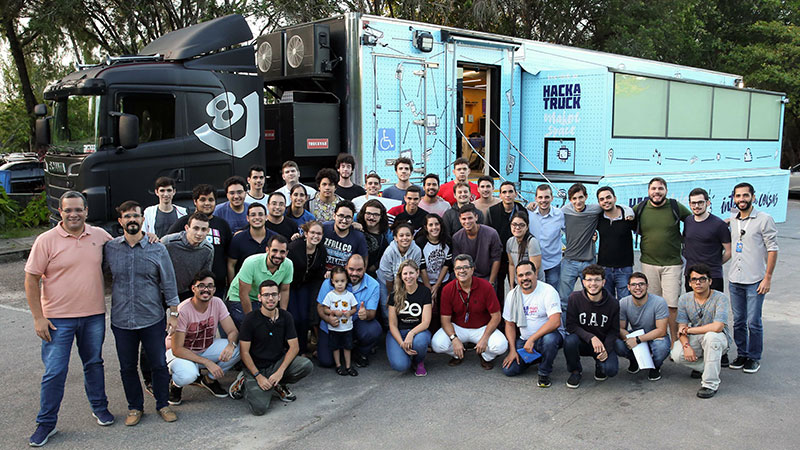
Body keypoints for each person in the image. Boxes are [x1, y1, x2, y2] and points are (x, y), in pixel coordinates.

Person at [24, 191, 114, 446]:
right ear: (60, 212)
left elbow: (126, 246)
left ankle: (100, 408)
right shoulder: (46, 240)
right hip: (56, 319)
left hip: (93, 315)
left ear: (86, 211)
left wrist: (150, 235)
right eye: (68, 210)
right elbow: (31, 279)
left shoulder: (100, 236)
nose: (73, 214)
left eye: (78, 210)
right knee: (55, 372)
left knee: (94, 364)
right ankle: (46, 424)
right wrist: (37, 317)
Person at [103, 200, 180, 425]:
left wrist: (173, 314)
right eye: (127, 217)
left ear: (142, 219)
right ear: (120, 221)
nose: (132, 220)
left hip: (152, 319)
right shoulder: (110, 248)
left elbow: (169, 282)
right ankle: (135, 408)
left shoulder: (157, 248)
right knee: (127, 367)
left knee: (157, 364)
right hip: (122, 321)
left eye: (135, 216)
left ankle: (163, 404)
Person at [234, 280, 314, 415]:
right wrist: (258, 376)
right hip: (256, 367)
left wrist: (280, 372)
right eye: (266, 295)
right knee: (259, 409)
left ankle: (277, 383)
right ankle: (244, 381)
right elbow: (244, 352)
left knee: (306, 365)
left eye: (274, 294)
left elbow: (294, 347)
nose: (270, 298)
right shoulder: (250, 319)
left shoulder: (286, 316)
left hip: (276, 364)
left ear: (279, 296)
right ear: (259, 297)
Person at [166, 270, 240, 405]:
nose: (206, 289)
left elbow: (232, 330)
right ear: (193, 288)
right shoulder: (183, 310)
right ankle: (176, 385)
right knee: (188, 375)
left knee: (238, 349)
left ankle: (209, 380)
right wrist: (207, 362)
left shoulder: (217, 303)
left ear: (214, 289)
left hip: (205, 348)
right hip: (180, 353)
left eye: (210, 286)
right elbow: (177, 349)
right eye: (201, 286)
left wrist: (231, 345)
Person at [727, 182, 778, 374]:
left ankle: (754, 357)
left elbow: (773, 249)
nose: (742, 199)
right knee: (738, 320)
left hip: (756, 280)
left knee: (753, 321)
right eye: (738, 196)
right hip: (735, 279)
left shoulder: (764, 219)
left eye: (745, 196)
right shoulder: (733, 219)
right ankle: (742, 353)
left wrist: (768, 278)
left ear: (753, 197)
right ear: (734, 198)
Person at [559, 183, 633, 312]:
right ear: (570, 200)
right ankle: (564, 330)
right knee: (564, 300)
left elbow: (614, 206)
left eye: (581, 197)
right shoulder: (564, 211)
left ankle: (592, 328)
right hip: (569, 262)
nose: (578, 201)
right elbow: (549, 212)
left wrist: (628, 210)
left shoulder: (595, 210)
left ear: (586, 197)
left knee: (592, 299)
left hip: (589, 262)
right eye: (574, 198)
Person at [635, 177, 691, 342]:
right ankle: (656, 339)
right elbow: (624, 219)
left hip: (672, 265)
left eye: (660, 188)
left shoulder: (675, 206)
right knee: (652, 306)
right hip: (648, 263)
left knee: (671, 306)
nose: (656, 192)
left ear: (666, 190)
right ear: (648, 191)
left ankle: (674, 342)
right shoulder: (641, 208)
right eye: (653, 189)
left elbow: (694, 220)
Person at [431, 254, 508, 369]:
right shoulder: (448, 289)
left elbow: (496, 316)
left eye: (465, 267)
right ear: (454, 271)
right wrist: (454, 339)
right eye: (458, 268)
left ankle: (485, 356)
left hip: (482, 328)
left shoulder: (486, 286)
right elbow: (445, 320)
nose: (462, 271)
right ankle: (458, 354)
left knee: (501, 345)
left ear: (472, 269)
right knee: (437, 344)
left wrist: (485, 338)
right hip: (458, 327)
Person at [671, 264, 732, 398]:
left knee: (711, 337)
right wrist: (686, 346)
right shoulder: (684, 299)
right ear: (690, 283)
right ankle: (708, 367)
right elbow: (681, 328)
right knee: (676, 354)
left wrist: (690, 330)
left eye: (702, 279)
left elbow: (717, 327)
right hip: (696, 338)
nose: (698, 282)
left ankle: (710, 384)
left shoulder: (720, 298)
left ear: (710, 281)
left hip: (719, 338)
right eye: (694, 279)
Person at [502, 261, 563, 388]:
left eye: (528, 274)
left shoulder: (547, 291)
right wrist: (512, 350)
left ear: (535, 274)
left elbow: (555, 321)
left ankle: (544, 372)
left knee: (550, 340)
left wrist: (532, 338)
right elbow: (509, 324)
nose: (525, 278)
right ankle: (538, 357)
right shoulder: (512, 295)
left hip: (545, 337)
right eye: (520, 275)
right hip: (524, 340)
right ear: (517, 277)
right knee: (509, 370)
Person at [316, 254, 382, 368]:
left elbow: (372, 313)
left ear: (365, 269)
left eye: (359, 270)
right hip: (332, 326)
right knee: (326, 361)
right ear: (346, 267)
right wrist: (328, 319)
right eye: (351, 269)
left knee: (373, 330)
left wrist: (366, 314)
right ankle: (341, 349)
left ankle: (360, 352)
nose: (354, 273)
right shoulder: (331, 281)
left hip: (354, 323)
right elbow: (319, 307)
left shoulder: (374, 285)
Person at [167, 184, 232, 300]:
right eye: (202, 199)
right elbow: (167, 245)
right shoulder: (183, 222)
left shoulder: (222, 224)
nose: (207, 203)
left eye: (211, 200)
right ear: (195, 202)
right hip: (188, 288)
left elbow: (229, 255)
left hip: (217, 285)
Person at [563, 265, 620, 389]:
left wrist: (607, 349)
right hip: (582, 342)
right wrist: (591, 337)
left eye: (597, 280)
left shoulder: (613, 303)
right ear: (583, 282)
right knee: (569, 341)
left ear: (604, 282)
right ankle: (575, 371)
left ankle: (600, 365)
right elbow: (571, 326)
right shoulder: (575, 298)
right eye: (589, 280)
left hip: (602, 344)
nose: (593, 284)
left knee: (610, 370)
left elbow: (614, 331)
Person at [227, 234, 293, 328]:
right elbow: (243, 293)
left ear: (286, 253)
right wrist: (251, 320)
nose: (278, 255)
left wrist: (282, 315)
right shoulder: (251, 262)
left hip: (264, 298)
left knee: (274, 326)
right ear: (267, 250)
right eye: (274, 250)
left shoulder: (288, 265)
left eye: (282, 252)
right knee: (252, 328)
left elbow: (284, 290)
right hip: (239, 298)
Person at [614, 272, 670, 381]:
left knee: (661, 347)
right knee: (617, 343)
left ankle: (655, 366)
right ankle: (634, 359)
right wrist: (630, 339)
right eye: (634, 285)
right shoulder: (623, 302)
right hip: (636, 334)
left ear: (647, 286)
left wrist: (638, 340)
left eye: (641, 284)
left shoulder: (659, 302)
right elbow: (621, 328)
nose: (638, 288)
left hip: (655, 336)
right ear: (628, 287)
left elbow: (661, 331)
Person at [286, 221, 327, 355]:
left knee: (304, 317)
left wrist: (326, 273)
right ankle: (290, 348)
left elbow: (319, 269)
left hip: (305, 285)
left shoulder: (321, 250)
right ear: (306, 234)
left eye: (319, 233)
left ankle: (302, 349)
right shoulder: (294, 247)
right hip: (290, 285)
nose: (316, 236)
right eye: (313, 233)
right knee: (294, 317)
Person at [386, 260, 433, 376]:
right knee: (401, 366)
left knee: (420, 342)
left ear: (417, 273)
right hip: (398, 333)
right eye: (405, 274)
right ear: (401, 276)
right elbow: (392, 325)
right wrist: (402, 343)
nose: (408, 277)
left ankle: (418, 361)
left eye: (411, 273)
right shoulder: (394, 294)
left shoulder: (425, 292)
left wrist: (411, 334)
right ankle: (406, 354)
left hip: (419, 332)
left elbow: (426, 322)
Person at [683, 187, 731, 293]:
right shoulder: (688, 221)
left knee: (712, 308)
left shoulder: (719, 225)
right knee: (692, 308)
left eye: (700, 202)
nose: (697, 206)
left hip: (712, 276)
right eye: (693, 203)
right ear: (690, 204)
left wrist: (715, 263)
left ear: (708, 202)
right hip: (691, 276)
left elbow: (729, 251)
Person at [378, 222, 425, 323]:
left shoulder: (416, 250)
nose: (405, 238)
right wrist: (392, 295)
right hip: (386, 282)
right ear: (395, 238)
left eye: (408, 235)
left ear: (412, 237)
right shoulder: (389, 252)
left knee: (405, 306)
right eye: (401, 235)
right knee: (387, 307)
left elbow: (415, 271)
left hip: (406, 280)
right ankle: (389, 330)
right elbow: (388, 278)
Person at [487, 181, 527, 297]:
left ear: (516, 194)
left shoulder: (521, 210)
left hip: (516, 254)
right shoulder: (492, 211)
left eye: (510, 191)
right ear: (499, 195)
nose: (507, 195)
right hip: (498, 256)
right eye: (504, 192)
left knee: (516, 287)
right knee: (498, 288)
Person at [161, 212, 213, 300]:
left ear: (208, 231)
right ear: (187, 228)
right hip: (162, 292)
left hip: (187, 293)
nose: (199, 233)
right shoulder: (168, 242)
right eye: (196, 228)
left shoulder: (208, 249)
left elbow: (204, 276)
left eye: (203, 229)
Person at [596, 186, 636, 299]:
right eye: (602, 199)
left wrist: (628, 211)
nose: (605, 201)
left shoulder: (628, 217)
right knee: (607, 301)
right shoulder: (598, 218)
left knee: (625, 301)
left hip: (624, 268)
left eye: (608, 197)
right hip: (604, 267)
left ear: (615, 198)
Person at [415, 214, 453, 332]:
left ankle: (443, 332)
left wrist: (437, 286)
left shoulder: (447, 241)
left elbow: (447, 265)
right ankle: (427, 334)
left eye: (436, 224)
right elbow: (422, 268)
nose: (434, 227)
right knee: (428, 308)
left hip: (442, 280)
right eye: (430, 225)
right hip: (424, 281)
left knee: (443, 308)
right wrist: (429, 290)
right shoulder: (420, 242)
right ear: (426, 227)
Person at [451, 204, 502, 289]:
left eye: (470, 218)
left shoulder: (491, 233)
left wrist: (491, 282)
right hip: (466, 277)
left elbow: (496, 259)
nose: (467, 221)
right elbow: (456, 262)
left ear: (476, 217)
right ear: (459, 220)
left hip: (487, 277)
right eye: (464, 219)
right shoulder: (456, 237)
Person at [321, 266, 359, 376]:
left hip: (347, 327)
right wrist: (332, 312)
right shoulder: (330, 295)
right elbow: (324, 308)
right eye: (337, 281)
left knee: (348, 347)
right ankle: (338, 365)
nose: (340, 284)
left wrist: (350, 313)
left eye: (342, 281)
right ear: (332, 281)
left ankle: (348, 366)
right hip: (334, 328)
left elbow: (354, 308)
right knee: (335, 347)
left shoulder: (349, 295)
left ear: (347, 281)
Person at [527, 184, 564, 288]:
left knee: (552, 293)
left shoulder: (559, 214)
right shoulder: (529, 213)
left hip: (553, 263)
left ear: (552, 198)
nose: (544, 200)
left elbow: (571, 233)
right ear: (536, 198)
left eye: (547, 197)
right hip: (533, 263)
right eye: (540, 197)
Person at [227, 203, 275, 281]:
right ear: (247, 218)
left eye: (260, 214)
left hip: (269, 287)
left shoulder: (274, 239)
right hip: (244, 285)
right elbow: (231, 265)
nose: (257, 217)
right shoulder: (238, 239)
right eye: (253, 215)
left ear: (266, 217)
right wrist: (232, 286)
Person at [322, 200, 368, 269]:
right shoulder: (324, 228)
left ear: (352, 219)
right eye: (341, 216)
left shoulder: (358, 237)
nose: (344, 220)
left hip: (345, 276)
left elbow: (364, 261)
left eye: (348, 217)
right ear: (334, 216)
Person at [357, 199, 393, 280]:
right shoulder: (356, 227)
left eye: (376, 214)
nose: (371, 217)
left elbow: (386, 256)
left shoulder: (386, 236)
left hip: (372, 276)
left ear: (381, 216)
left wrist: (373, 267)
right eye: (368, 213)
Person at [506, 212, 542, 289]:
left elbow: (535, 268)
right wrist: (512, 286)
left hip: (532, 284)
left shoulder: (532, 242)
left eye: (521, 225)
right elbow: (511, 265)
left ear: (527, 227)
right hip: (518, 283)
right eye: (514, 224)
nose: (517, 228)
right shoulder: (510, 241)